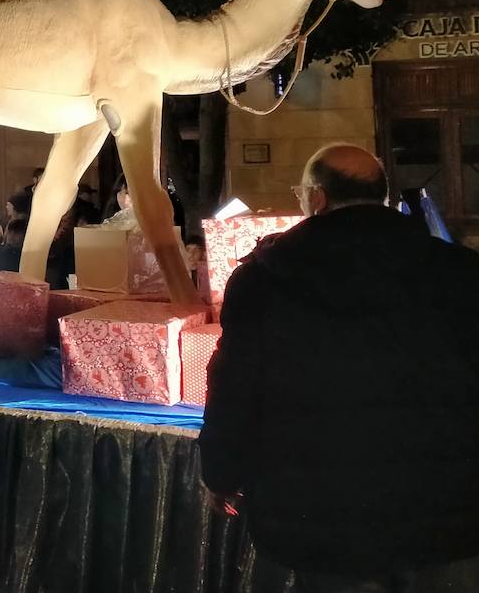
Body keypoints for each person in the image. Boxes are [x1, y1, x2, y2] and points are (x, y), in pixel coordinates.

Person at [200, 144, 479, 591]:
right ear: (382, 198)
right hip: (447, 507)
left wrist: (220, 472)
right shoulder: (460, 271)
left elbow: (234, 386)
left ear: (316, 198)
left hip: (324, 514)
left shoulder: (265, 278)